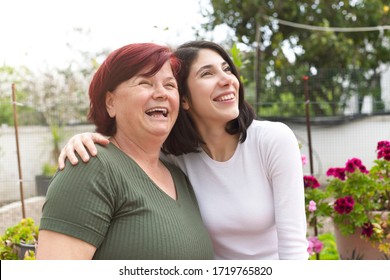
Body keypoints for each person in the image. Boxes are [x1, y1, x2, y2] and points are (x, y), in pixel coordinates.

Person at [58, 41, 309, 260]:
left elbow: (293, 248)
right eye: (207, 73)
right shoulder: (176, 159)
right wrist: (86, 138)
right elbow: (130, 145)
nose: (227, 80)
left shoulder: (272, 140)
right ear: (185, 99)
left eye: (227, 69)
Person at [36, 43, 214, 260]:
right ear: (111, 102)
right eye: (145, 83)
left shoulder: (179, 175)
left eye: (169, 85)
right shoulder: (89, 167)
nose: (161, 94)